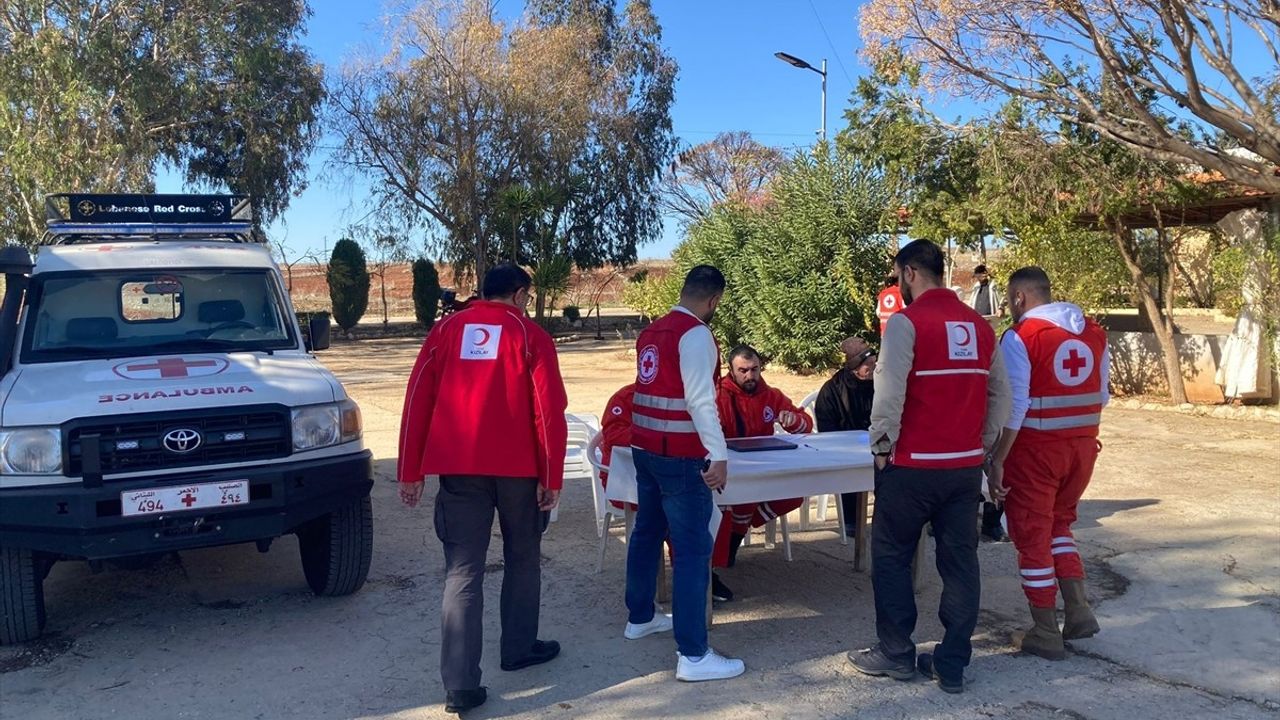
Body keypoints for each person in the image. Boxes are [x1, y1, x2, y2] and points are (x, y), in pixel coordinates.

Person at [398, 263, 569, 714]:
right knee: (523, 557)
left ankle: (460, 685)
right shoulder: (531, 335)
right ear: (519, 294)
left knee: (462, 571)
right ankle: (517, 648)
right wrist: (551, 477)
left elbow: (418, 397)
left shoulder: (446, 331)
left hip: (459, 470)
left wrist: (410, 470)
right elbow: (549, 410)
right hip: (519, 471)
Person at [849, 239, 1011, 695]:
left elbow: (889, 390)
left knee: (893, 558)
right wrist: (981, 445)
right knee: (960, 564)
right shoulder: (980, 327)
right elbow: (1002, 396)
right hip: (962, 471)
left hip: (912, 467)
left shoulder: (906, 323)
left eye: (898, 276)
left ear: (910, 273)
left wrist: (881, 445)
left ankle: (897, 653)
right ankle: (953, 663)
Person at [623, 265, 745, 683]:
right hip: (681, 457)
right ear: (713, 300)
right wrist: (719, 454)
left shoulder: (652, 331)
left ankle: (640, 616)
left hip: (645, 450)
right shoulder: (696, 335)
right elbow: (700, 401)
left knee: (646, 533)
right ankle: (693, 655)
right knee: (693, 550)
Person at [990, 266, 1110, 660]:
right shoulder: (1093, 333)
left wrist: (998, 459)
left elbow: (1016, 403)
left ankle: (1044, 630)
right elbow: (1103, 396)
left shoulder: (1021, 337)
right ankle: (1078, 611)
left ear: (1020, 298)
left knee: (1032, 535)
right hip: (1082, 448)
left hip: (1036, 452)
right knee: (1060, 526)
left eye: (1010, 300)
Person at [713, 345, 814, 593]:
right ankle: (719, 558)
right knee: (730, 503)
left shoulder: (771, 394)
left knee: (794, 493)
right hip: (729, 468)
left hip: (764, 468)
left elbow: (806, 424)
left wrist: (793, 421)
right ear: (731, 370)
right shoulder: (716, 395)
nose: (750, 375)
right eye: (743, 370)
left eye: (755, 369)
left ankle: (743, 526)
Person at [814, 336, 876, 536]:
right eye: (868, 365)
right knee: (850, 466)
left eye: (875, 363)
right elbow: (827, 429)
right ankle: (851, 519)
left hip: (875, 443)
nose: (873, 368)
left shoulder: (881, 386)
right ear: (854, 367)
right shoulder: (832, 390)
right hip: (843, 446)